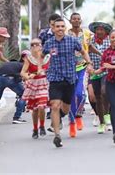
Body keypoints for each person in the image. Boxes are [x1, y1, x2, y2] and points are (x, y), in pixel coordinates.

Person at [43, 18, 92, 148]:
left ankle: (58, 118)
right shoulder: (49, 43)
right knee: (54, 105)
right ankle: (57, 135)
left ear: (65, 28)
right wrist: (38, 68)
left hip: (70, 78)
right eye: (57, 26)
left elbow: (83, 52)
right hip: (54, 78)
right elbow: (41, 57)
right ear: (53, 28)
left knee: (65, 108)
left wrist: (88, 63)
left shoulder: (72, 41)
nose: (59, 28)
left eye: (62, 26)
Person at [67, 12, 93, 137]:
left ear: (81, 20)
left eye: (78, 19)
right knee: (71, 96)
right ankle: (72, 123)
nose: (76, 21)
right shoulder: (66, 33)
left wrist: (91, 61)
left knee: (80, 94)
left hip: (82, 67)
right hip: (69, 68)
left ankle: (79, 114)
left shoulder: (87, 34)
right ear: (70, 20)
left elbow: (89, 47)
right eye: (74, 19)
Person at [0, 52, 28, 125]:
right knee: (24, 94)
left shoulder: (12, 64)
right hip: (9, 78)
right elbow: (18, 79)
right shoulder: (23, 65)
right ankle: (17, 117)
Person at [21, 39, 50, 139]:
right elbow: (23, 72)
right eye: (32, 45)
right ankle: (35, 128)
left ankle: (42, 126)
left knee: (42, 106)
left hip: (44, 84)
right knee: (35, 109)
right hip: (33, 85)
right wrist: (28, 76)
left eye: (37, 44)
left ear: (41, 46)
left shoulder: (47, 57)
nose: (35, 46)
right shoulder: (29, 59)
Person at [88, 21, 112, 134]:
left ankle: (107, 114)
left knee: (104, 91)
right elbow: (85, 53)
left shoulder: (110, 41)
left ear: (106, 31)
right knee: (96, 97)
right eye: (97, 30)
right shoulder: (90, 41)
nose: (99, 31)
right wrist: (88, 65)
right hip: (94, 72)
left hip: (107, 71)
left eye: (102, 30)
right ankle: (102, 122)